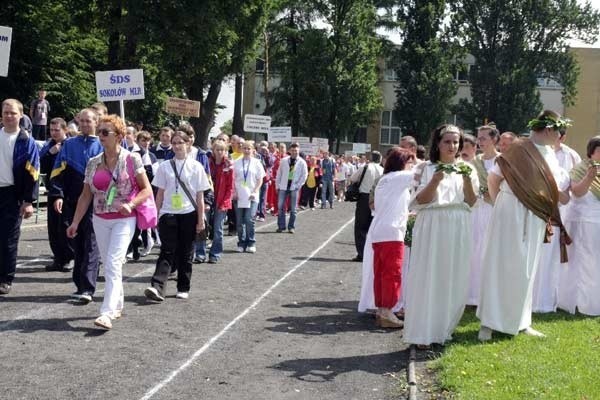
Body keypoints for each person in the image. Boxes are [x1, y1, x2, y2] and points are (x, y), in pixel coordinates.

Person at [477, 110, 571, 341]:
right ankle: (488, 323)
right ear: (549, 129)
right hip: (510, 209)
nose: (560, 135)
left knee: (527, 266)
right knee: (500, 263)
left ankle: (521, 321)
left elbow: (556, 187)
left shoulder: (551, 154)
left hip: (535, 213)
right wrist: (500, 203)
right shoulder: (519, 148)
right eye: (558, 131)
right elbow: (493, 178)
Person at [66, 115, 152, 329]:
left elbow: (146, 189)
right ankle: (118, 305)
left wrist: (131, 205)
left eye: (106, 132)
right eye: (100, 132)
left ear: (119, 136)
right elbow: (86, 195)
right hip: (99, 218)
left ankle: (106, 312)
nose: (101, 136)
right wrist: (75, 222)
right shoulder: (93, 163)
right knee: (110, 264)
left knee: (113, 263)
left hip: (124, 219)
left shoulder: (132, 159)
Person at [403, 125, 478, 347]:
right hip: (432, 224)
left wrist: (465, 180)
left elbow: (471, 201)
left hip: (458, 224)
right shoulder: (425, 168)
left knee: (453, 276)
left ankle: (443, 329)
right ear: (437, 143)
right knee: (427, 276)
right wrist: (435, 180)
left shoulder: (467, 169)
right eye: (447, 141)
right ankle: (422, 332)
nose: (452, 146)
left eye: (456, 142)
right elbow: (421, 200)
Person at [144, 131, 210, 302]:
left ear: (188, 144)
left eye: (180, 142)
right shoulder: (164, 166)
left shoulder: (196, 167)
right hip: (168, 213)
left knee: (186, 252)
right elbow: (159, 194)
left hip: (189, 213)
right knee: (167, 250)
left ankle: (183, 286)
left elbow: (199, 196)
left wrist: (200, 219)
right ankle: (157, 286)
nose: (177, 146)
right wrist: (155, 215)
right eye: (174, 143)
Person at [50, 108, 103, 303]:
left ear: (96, 122)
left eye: (89, 121)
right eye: (82, 121)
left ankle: (88, 287)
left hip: (96, 203)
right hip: (73, 203)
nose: (85, 124)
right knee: (77, 242)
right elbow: (57, 172)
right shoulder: (69, 145)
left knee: (91, 243)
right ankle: (80, 284)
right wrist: (57, 195)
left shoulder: (103, 145)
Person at [359, 147, 415, 328]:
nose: (412, 165)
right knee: (392, 273)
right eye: (409, 162)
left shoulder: (386, 179)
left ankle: (382, 309)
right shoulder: (398, 178)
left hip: (380, 231)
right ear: (402, 163)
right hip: (392, 233)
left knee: (381, 273)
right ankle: (388, 311)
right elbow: (422, 173)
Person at [0, 99, 40, 295]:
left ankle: (5, 278)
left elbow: (33, 173)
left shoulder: (27, 141)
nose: (9, 116)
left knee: (8, 238)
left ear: (21, 116)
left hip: (12, 194)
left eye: (13, 113)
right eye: (6, 112)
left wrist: (28, 201)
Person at [558, 136, 600, 316]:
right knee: (579, 260)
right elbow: (577, 192)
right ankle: (575, 302)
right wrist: (590, 177)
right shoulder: (581, 168)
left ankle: (593, 301)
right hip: (581, 219)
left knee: (595, 262)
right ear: (592, 152)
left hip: (596, 220)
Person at [467, 125, 500, 306]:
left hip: (493, 209)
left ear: (494, 140)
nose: (480, 142)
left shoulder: (501, 161)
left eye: (484, 138)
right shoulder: (474, 162)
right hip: (475, 209)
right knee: (473, 250)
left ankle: (486, 295)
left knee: (487, 251)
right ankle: (471, 295)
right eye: (478, 138)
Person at [40, 118, 74, 272]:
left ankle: (70, 257)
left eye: (57, 130)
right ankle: (58, 258)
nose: (53, 133)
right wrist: (49, 153)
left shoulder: (71, 145)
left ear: (65, 130)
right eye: (51, 130)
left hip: (67, 192)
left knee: (65, 225)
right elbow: (40, 165)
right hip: (52, 190)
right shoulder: (49, 146)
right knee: (53, 227)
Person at [349, 151, 384, 262]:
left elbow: (353, 178)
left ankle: (362, 253)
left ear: (371, 158)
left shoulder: (366, 167)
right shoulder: (383, 170)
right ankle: (372, 253)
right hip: (377, 198)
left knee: (360, 226)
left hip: (364, 197)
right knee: (373, 226)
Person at [233, 141, 265, 253]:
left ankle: (251, 242)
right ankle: (241, 243)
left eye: (248, 149)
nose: (246, 150)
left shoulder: (257, 163)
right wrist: (234, 192)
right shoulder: (236, 163)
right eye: (244, 148)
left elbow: (260, 179)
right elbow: (233, 179)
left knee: (249, 219)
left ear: (252, 150)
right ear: (241, 149)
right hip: (239, 195)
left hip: (252, 195)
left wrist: (255, 191)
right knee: (240, 221)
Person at [207, 139, 234, 263]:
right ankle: (200, 253)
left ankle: (215, 253)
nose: (219, 152)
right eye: (217, 149)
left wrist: (225, 203)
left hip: (222, 201)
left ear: (226, 151)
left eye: (222, 150)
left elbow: (230, 187)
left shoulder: (229, 165)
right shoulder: (207, 163)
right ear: (213, 150)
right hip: (208, 199)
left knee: (218, 228)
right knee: (203, 227)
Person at [275, 143, 308, 233]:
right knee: (280, 207)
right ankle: (281, 226)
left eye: (296, 151)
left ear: (298, 151)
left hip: (294, 187)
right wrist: (277, 185)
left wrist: (298, 185)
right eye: (293, 150)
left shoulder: (302, 162)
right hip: (283, 187)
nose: (294, 152)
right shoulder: (284, 161)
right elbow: (279, 174)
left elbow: (304, 175)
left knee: (293, 209)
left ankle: (291, 227)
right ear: (290, 151)